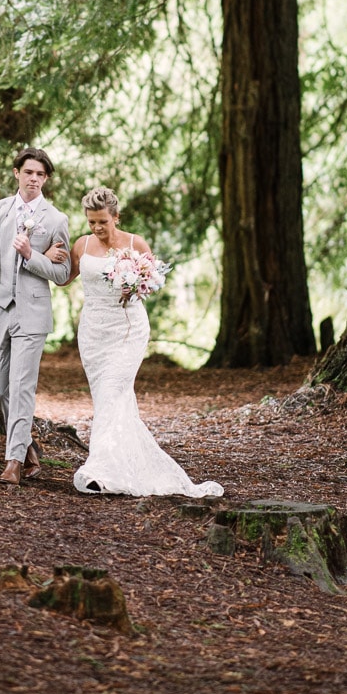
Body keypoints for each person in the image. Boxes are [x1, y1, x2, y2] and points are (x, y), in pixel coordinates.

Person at [52, 186, 224, 499]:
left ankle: (97, 470)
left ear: (116, 217)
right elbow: (64, 278)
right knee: (109, 400)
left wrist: (136, 282)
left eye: (102, 221)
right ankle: (120, 465)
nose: (97, 228)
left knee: (112, 391)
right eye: (91, 222)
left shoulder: (135, 243)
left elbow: (154, 280)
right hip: (92, 332)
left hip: (128, 330)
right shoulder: (82, 244)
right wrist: (47, 257)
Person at [0, 148, 72, 486]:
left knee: (22, 386)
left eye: (40, 175)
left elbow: (63, 272)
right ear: (16, 173)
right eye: (29, 173)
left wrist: (32, 256)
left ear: (46, 179)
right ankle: (27, 448)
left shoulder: (56, 220)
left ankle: (12, 462)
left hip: (32, 313)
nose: (34, 179)